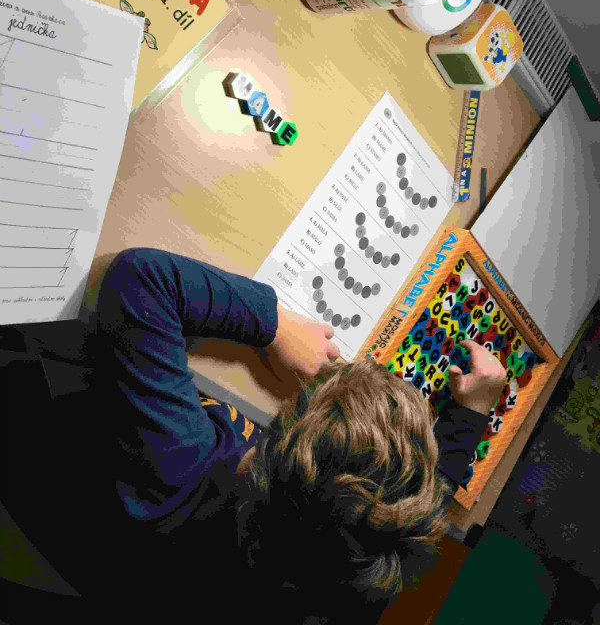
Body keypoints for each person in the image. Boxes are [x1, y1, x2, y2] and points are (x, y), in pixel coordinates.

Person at [74, 247, 505, 623]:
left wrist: (275, 325)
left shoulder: (182, 469)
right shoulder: (358, 574)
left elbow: (139, 279)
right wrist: (471, 414)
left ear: (274, 437)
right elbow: (416, 511)